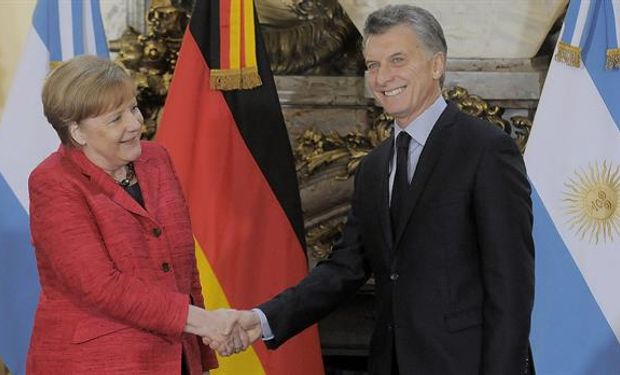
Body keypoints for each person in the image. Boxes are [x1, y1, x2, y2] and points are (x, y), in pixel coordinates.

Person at [227, 5, 535, 375]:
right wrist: (261, 319)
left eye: (398, 60)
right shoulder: (374, 165)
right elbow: (344, 268)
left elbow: (511, 288)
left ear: (437, 65)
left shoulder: (486, 150)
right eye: (373, 65)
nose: (383, 77)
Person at [26, 55, 247, 374]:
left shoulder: (157, 159)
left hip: (178, 358)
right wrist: (204, 322)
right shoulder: (53, 182)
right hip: (97, 363)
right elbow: (100, 286)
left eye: (133, 108)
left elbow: (183, 267)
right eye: (116, 119)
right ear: (77, 131)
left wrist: (202, 354)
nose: (134, 124)